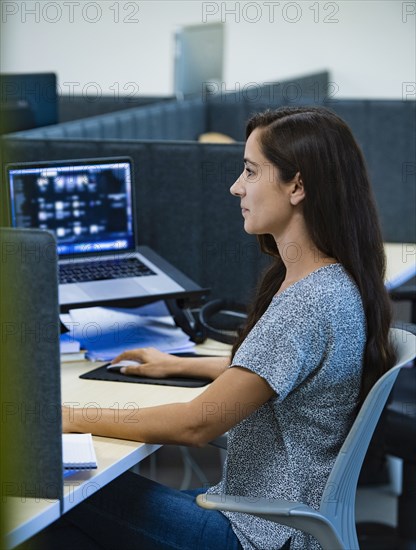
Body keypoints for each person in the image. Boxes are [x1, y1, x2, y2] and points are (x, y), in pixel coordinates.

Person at [59, 106, 396, 550]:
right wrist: (179, 364)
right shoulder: (332, 280)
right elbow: (275, 372)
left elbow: (195, 426)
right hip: (273, 520)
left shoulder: (307, 304)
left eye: (251, 172)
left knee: (60, 494)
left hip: (254, 534)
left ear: (297, 185)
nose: (236, 186)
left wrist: (64, 418)